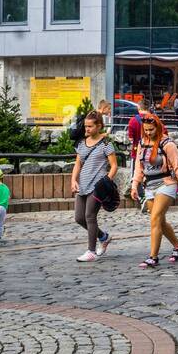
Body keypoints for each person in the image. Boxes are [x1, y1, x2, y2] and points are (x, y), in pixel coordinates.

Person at [129, 112, 178, 269]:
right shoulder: (143, 143)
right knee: (160, 222)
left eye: (151, 130)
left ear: (158, 127)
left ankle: (153, 257)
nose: (148, 133)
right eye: (146, 130)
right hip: (149, 185)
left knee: (155, 218)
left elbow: (177, 166)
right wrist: (134, 185)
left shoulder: (168, 144)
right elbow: (138, 167)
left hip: (166, 183)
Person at [70, 110, 117, 262]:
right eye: (85, 126)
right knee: (79, 218)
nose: (87, 129)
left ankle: (91, 251)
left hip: (98, 186)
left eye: (90, 126)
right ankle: (103, 237)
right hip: (83, 185)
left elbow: (114, 166)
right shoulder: (82, 143)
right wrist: (73, 180)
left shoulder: (106, 144)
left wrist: (106, 182)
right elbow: (78, 163)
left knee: (90, 216)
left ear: (99, 126)